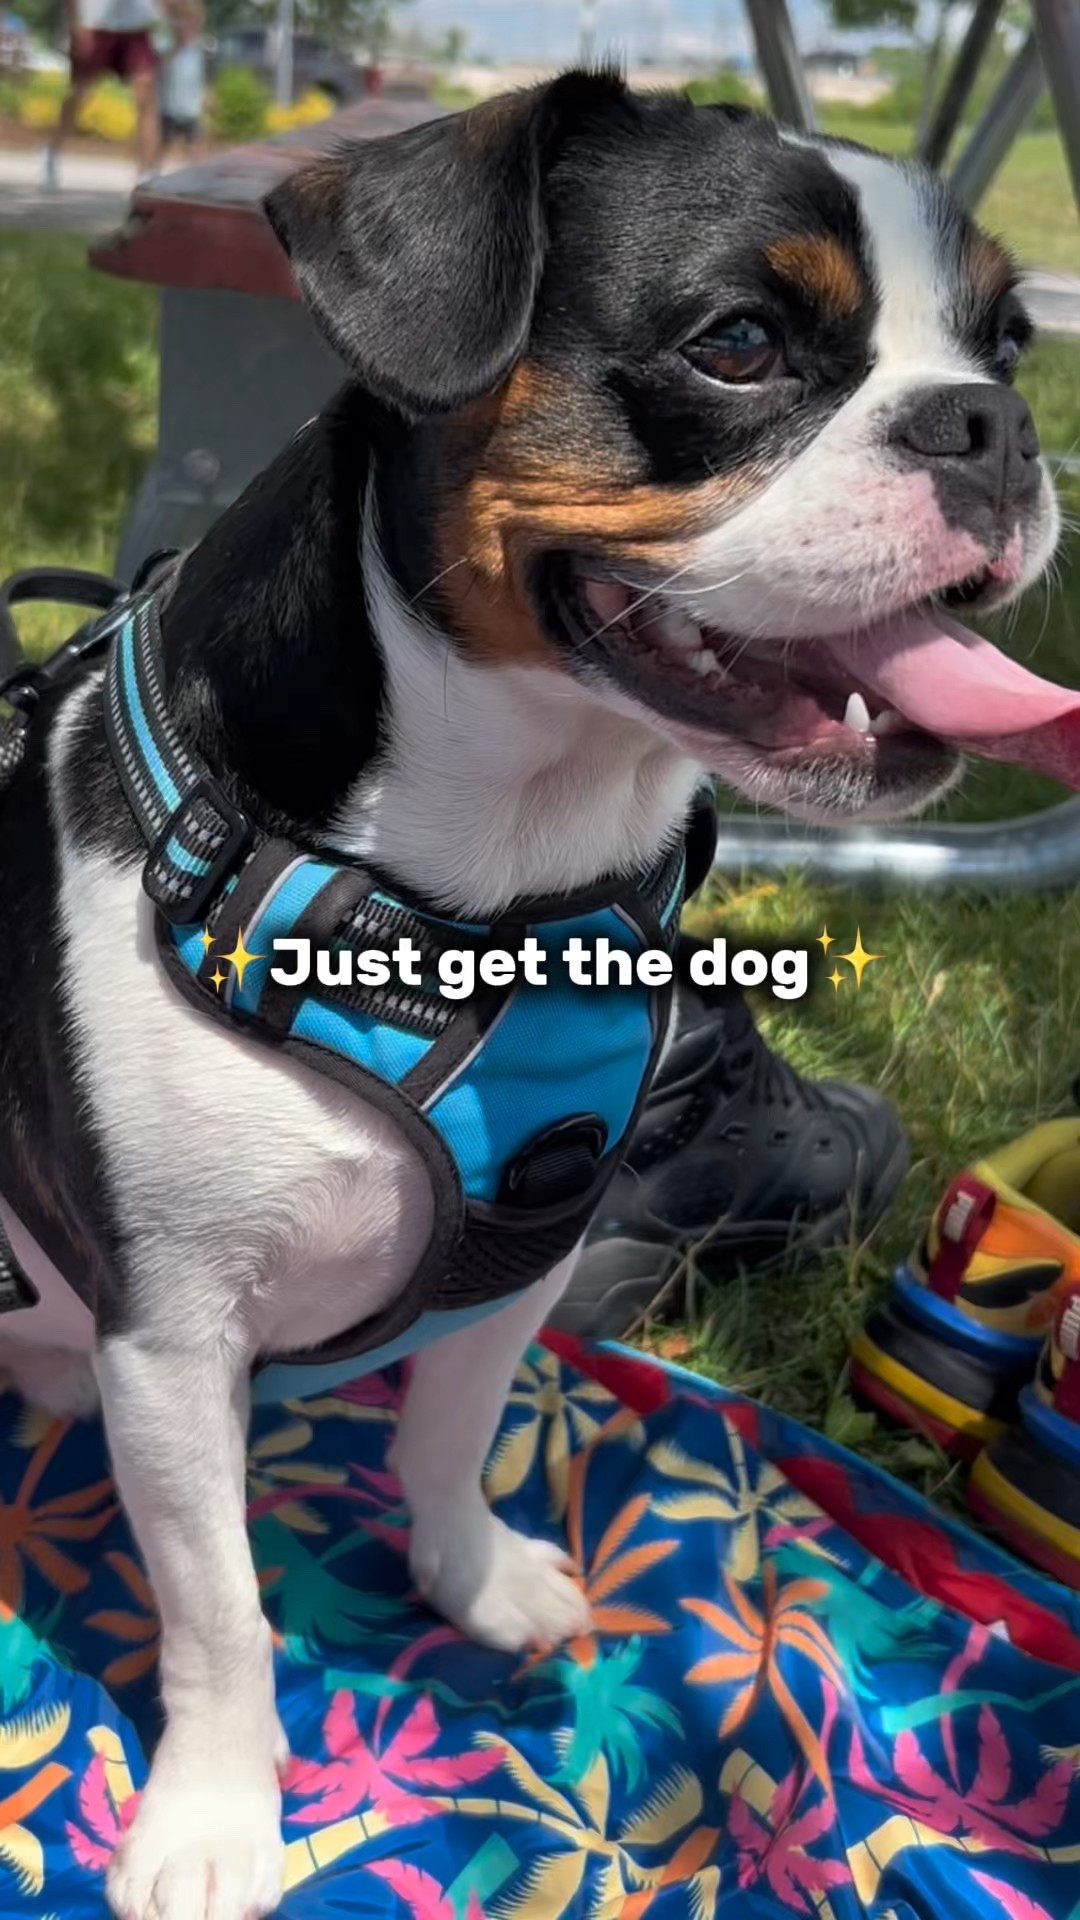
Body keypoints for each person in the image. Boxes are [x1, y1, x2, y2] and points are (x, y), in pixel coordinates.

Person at [43, 0, 160, 191]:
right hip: (96, 25)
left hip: (136, 28)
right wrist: (76, 24)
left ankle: (146, 173)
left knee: (146, 93)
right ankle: (52, 152)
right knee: (80, 95)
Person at [157, 0, 205, 167]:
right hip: (169, 106)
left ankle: (197, 178)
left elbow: (197, 14)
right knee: (163, 144)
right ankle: (151, 173)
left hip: (191, 109)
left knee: (195, 146)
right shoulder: (166, 45)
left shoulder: (195, 48)